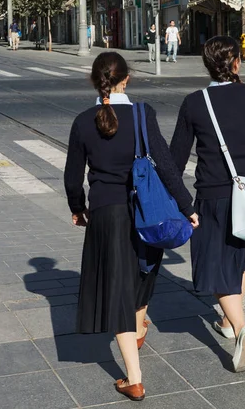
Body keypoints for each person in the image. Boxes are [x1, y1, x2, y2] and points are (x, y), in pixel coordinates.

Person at [63, 52, 199, 401]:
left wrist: (78, 209)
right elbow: (167, 167)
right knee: (140, 278)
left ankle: (134, 357)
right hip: (147, 211)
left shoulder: (82, 121)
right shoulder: (142, 114)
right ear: (127, 78)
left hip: (106, 214)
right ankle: (134, 373)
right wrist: (187, 207)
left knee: (120, 287)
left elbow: (72, 177)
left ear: (96, 81)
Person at [170, 36, 245, 373]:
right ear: (236, 63)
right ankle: (228, 320)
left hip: (213, 195)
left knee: (213, 268)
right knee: (238, 258)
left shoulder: (195, 103)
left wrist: (178, 203)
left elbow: (176, 159)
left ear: (207, 65)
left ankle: (241, 330)